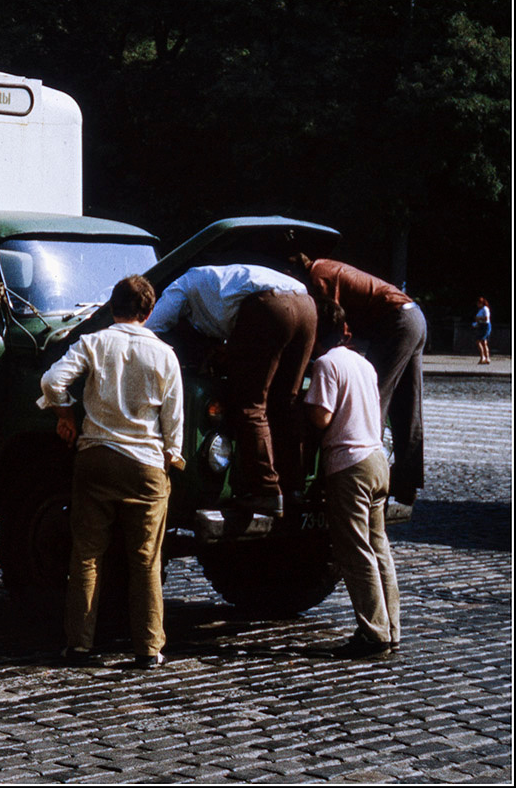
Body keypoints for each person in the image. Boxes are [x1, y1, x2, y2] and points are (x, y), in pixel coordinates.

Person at [39, 276, 183, 669]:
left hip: (96, 456)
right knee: (146, 560)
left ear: (112, 308)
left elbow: (52, 381)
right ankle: (148, 648)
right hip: (145, 463)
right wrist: (170, 458)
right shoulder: (165, 355)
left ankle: (79, 644)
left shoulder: (94, 342)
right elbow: (174, 422)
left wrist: (66, 415)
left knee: (86, 554)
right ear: (148, 312)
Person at [145, 263, 316, 518]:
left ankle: (267, 491)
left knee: (250, 404)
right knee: (286, 401)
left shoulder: (180, 286)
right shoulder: (215, 280)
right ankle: (294, 488)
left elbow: (152, 329)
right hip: (306, 305)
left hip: (270, 307)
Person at [304, 300, 399, 658]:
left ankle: (373, 634)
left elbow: (322, 418)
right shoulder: (363, 364)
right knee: (379, 548)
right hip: (376, 460)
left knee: (356, 551)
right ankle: (391, 628)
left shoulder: (326, 364)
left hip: (350, 466)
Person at [293, 254, 425, 505]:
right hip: (414, 317)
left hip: (396, 322)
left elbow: (333, 322)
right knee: (408, 406)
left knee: (371, 401)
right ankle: (407, 482)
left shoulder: (318, 276)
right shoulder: (328, 267)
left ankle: (357, 476)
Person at [473, 297, 492, 365]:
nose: (477, 305)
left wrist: (479, 318)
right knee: (484, 342)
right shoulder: (481, 310)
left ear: (481, 303)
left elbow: (486, 318)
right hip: (481, 325)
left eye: (478, 303)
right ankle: (487, 358)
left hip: (485, 326)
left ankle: (483, 357)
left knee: (479, 341)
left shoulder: (485, 309)